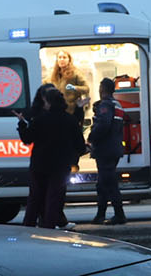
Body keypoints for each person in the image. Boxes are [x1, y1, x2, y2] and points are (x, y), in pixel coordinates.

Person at [17, 87, 84, 228]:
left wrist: (22, 124)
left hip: (40, 164)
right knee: (54, 199)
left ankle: (28, 225)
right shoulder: (69, 120)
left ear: (48, 102)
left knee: (35, 197)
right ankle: (49, 227)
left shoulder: (40, 119)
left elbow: (27, 138)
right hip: (61, 166)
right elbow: (79, 144)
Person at [88, 78, 127, 225]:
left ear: (102, 89)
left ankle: (119, 214)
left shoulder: (105, 105)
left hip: (105, 149)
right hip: (113, 148)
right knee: (103, 183)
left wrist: (91, 137)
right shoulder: (117, 104)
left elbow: (103, 125)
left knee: (109, 183)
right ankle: (101, 215)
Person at [48, 50, 90, 122]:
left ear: (69, 60)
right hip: (58, 112)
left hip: (73, 111)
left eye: (64, 57)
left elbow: (86, 88)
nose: (62, 59)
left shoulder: (76, 73)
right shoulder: (54, 75)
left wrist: (74, 87)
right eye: (59, 57)